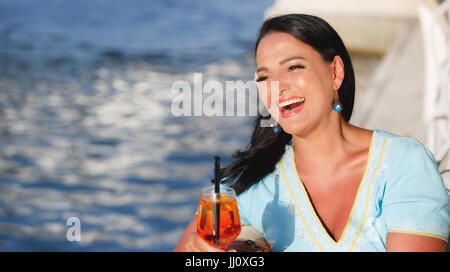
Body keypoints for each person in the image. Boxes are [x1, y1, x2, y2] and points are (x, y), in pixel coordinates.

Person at [174, 14, 450, 252]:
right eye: (264, 77)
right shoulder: (249, 184)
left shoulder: (403, 164)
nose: (277, 87)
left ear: (335, 73)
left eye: (293, 67)